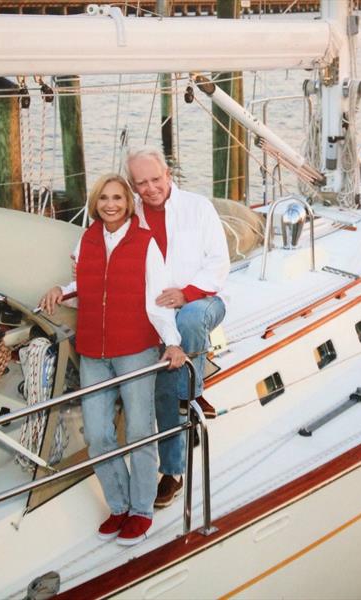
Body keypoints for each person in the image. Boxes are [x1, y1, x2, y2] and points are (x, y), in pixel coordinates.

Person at [39, 173, 186, 545]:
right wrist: (62, 289)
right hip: (92, 351)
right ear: (96, 202)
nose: (110, 204)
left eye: (118, 197)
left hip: (135, 350)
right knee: (99, 434)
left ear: (128, 203)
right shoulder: (87, 237)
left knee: (139, 433)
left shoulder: (145, 242)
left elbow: (158, 298)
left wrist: (172, 342)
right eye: (104, 198)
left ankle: (140, 510)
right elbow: (89, 284)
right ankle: (118, 504)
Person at [125, 146, 230, 509]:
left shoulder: (197, 207)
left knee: (178, 352)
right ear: (132, 185)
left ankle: (191, 393)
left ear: (168, 174)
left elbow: (219, 263)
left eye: (156, 179)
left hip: (203, 301)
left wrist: (185, 294)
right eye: (142, 183)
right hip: (155, 311)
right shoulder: (128, 216)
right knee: (163, 377)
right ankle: (189, 396)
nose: (151, 188)